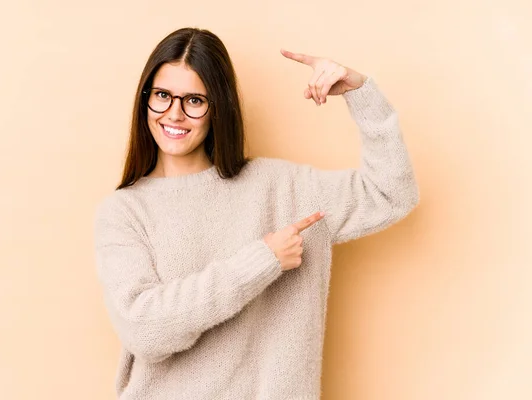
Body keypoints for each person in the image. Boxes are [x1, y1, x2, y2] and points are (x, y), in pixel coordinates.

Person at [93, 27, 419, 400]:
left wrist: (361, 94)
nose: (174, 114)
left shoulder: (283, 189)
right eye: (163, 96)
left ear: (219, 106)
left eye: (194, 100)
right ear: (145, 99)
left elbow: (391, 193)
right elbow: (145, 330)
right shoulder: (123, 212)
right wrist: (263, 261)